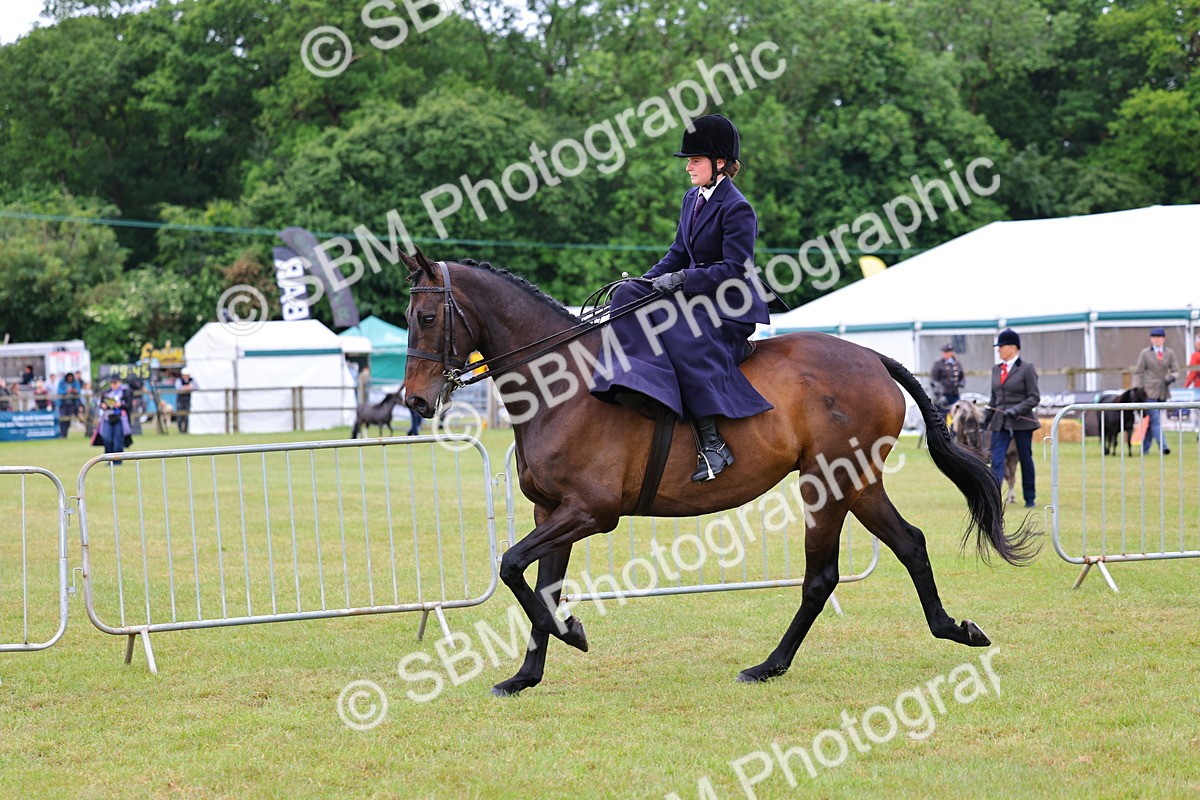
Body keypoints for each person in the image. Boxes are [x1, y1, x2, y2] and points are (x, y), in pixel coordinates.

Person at [591, 114, 773, 483]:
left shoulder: (738, 208)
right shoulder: (692, 198)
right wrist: (647, 280)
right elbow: (676, 253)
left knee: (673, 328)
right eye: (688, 161)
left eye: (695, 160)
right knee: (627, 294)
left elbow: (736, 269)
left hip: (729, 306)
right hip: (694, 295)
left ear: (719, 163)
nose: (688, 167)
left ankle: (712, 442)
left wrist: (683, 278)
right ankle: (636, 383)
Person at [983, 329, 1040, 508]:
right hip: (1000, 422)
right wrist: (985, 420)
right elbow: (994, 398)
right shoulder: (995, 370)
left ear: (1013, 348)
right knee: (996, 460)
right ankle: (993, 499)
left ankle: (1030, 498)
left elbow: (1034, 397)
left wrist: (1016, 410)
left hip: (1021, 422)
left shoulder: (1027, 369)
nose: (998, 350)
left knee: (1025, 459)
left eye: (1001, 346)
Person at [1132, 327, 1180, 455]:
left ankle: (1145, 449)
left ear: (1163, 338)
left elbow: (1176, 370)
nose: (1156, 340)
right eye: (1154, 337)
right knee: (1155, 419)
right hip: (1148, 392)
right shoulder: (1145, 353)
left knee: (1153, 421)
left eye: (1159, 337)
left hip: (1163, 391)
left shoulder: (1169, 353)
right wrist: (1137, 389)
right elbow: (1138, 372)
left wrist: (1172, 377)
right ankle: (1164, 447)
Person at [97, 375, 133, 464]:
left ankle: (117, 461)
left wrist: (120, 405)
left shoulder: (125, 392)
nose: (114, 385)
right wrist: (103, 405)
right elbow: (101, 403)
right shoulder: (106, 392)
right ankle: (108, 459)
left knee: (118, 440)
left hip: (120, 418)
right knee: (107, 438)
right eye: (112, 383)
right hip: (107, 417)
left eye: (115, 383)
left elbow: (129, 405)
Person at [930, 343, 965, 409]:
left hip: (955, 393)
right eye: (944, 352)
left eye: (947, 352)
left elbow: (962, 376)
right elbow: (934, 379)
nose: (944, 354)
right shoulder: (938, 364)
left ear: (951, 353)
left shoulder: (957, 364)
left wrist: (961, 383)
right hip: (943, 394)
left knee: (956, 411)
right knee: (943, 413)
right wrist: (938, 391)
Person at [56, 372, 82, 438]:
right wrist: (66, 391)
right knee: (62, 419)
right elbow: (59, 391)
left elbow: (78, 390)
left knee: (69, 419)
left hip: (72, 403)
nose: (70, 378)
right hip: (63, 403)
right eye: (69, 377)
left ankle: (65, 433)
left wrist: (74, 391)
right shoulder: (62, 382)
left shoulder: (75, 382)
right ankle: (62, 434)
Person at [175, 368, 196, 433]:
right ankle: (180, 430)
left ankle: (185, 430)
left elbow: (196, 386)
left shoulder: (192, 380)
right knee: (180, 416)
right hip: (180, 400)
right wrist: (188, 387)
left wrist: (186, 388)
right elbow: (179, 388)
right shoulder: (179, 380)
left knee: (186, 416)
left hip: (187, 400)